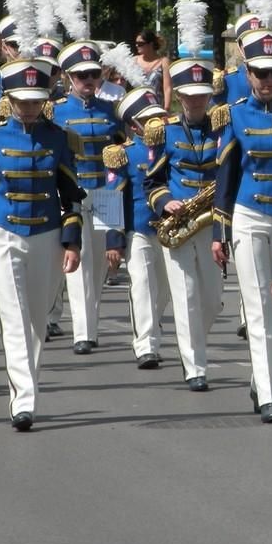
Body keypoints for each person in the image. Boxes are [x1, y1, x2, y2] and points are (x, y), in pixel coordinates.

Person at [0, 58, 86, 431]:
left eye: (36, 100)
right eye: (23, 100)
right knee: (14, 317)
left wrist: (72, 242)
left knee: (36, 318)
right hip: (4, 234)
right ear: (10, 99)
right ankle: (24, 400)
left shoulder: (59, 137)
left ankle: (26, 388)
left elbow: (70, 194)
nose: (30, 107)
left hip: (46, 235)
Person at [211, 29, 272, 423]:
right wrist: (219, 231)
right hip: (248, 215)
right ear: (247, 72)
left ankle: (260, 378)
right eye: (260, 73)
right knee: (259, 304)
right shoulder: (235, 113)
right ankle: (271, 396)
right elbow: (225, 178)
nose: (268, 81)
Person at [144, 55, 223, 392]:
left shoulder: (221, 126)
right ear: (178, 95)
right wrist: (165, 202)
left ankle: (191, 343)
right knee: (186, 295)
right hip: (177, 222)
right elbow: (152, 181)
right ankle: (195, 366)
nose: (196, 101)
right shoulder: (166, 131)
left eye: (202, 95)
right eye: (189, 95)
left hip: (211, 219)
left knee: (212, 300)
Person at [51, 41, 124, 355]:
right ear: (69, 77)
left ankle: (89, 323)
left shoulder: (112, 111)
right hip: (75, 193)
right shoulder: (55, 112)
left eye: (94, 74)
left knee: (102, 266)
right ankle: (84, 332)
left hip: (107, 193)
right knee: (79, 265)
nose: (89, 81)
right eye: (82, 76)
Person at [104, 88, 170, 370]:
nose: (158, 121)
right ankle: (146, 345)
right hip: (139, 228)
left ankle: (152, 327)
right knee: (142, 286)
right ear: (134, 126)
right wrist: (112, 240)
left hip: (173, 229)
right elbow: (110, 196)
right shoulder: (123, 154)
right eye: (150, 118)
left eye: (159, 115)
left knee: (165, 290)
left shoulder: (174, 144)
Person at [133, 30, 173, 108]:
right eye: (136, 43)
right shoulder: (134, 61)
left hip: (157, 107)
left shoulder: (164, 62)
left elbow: (167, 88)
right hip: (137, 107)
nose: (137, 45)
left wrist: (166, 108)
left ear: (150, 44)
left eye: (140, 43)